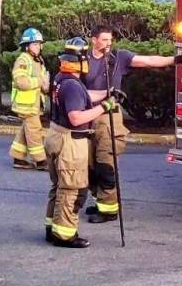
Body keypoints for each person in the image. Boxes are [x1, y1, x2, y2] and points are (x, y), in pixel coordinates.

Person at [80, 25, 182, 224]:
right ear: (94, 40)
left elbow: (148, 61)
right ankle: (100, 200)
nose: (108, 44)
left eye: (110, 40)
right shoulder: (83, 60)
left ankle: (109, 210)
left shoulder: (118, 58)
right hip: (87, 116)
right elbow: (77, 89)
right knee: (88, 166)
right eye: (104, 40)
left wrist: (175, 60)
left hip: (108, 118)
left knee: (106, 164)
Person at [44, 40, 119, 249]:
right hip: (71, 140)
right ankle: (65, 235)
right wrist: (105, 107)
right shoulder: (72, 85)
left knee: (58, 187)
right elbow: (76, 117)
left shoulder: (62, 79)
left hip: (56, 135)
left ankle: (52, 228)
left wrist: (108, 94)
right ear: (81, 61)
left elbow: (84, 96)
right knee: (73, 189)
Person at [9, 27, 50, 169]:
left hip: (34, 104)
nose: (38, 47)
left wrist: (45, 87)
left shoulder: (38, 60)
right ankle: (41, 161)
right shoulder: (23, 60)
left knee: (25, 130)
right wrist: (40, 82)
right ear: (27, 46)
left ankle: (18, 158)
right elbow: (21, 82)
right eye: (34, 44)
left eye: (39, 44)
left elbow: (43, 81)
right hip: (26, 105)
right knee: (34, 131)